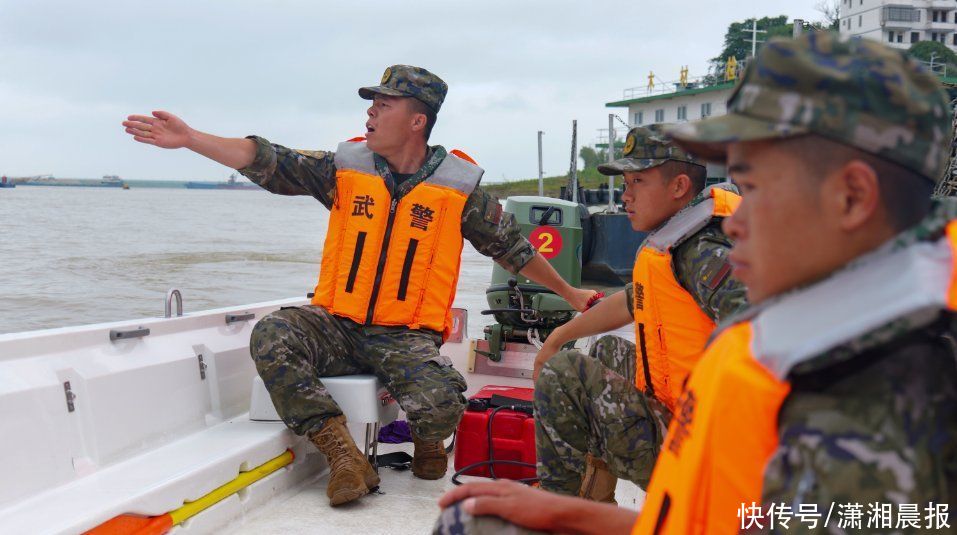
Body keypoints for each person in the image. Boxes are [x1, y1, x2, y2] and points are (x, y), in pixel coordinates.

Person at [434, 32, 957, 535]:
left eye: (757, 188)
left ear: (852, 197)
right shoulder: (827, 333)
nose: (738, 220)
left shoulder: (884, 416)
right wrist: (577, 519)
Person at [122, 64, 596, 506]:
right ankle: (342, 454)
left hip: (406, 335)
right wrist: (189, 139)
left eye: (384, 105)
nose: (370, 112)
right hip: (336, 323)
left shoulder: (459, 188)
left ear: (417, 120)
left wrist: (572, 296)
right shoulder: (345, 168)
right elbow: (267, 159)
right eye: (372, 103)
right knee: (272, 334)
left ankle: (431, 441)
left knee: (439, 404)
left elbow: (513, 249)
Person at [531, 126, 746, 502]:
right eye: (626, 182)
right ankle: (594, 498)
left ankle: (555, 508)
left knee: (563, 374)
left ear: (679, 187)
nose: (626, 196)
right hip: (680, 414)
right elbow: (633, 299)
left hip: (702, 453)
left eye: (638, 182)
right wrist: (557, 336)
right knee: (606, 351)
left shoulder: (701, 251)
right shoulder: (678, 240)